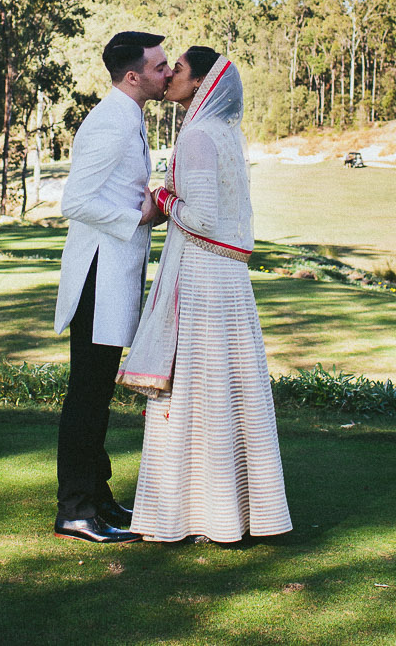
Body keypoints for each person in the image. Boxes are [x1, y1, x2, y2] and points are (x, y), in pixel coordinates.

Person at [121, 46, 291, 544]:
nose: (170, 76)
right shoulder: (226, 135)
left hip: (201, 278)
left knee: (197, 388)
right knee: (228, 387)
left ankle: (188, 515)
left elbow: (201, 218)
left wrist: (162, 196)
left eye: (178, 71)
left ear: (200, 84)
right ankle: (237, 514)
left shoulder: (196, 135)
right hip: (229, 277)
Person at [51, 30, 171, 543]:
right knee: (87, 395)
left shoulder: (129, 117)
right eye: (160, 66)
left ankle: (97, 498)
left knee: (96, 394)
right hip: (98, 275)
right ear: (133, 76)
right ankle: (75, 510)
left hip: (114, 272)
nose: (167, 72)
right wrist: (138, 214)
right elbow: (74, 202)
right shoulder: (110, 123)